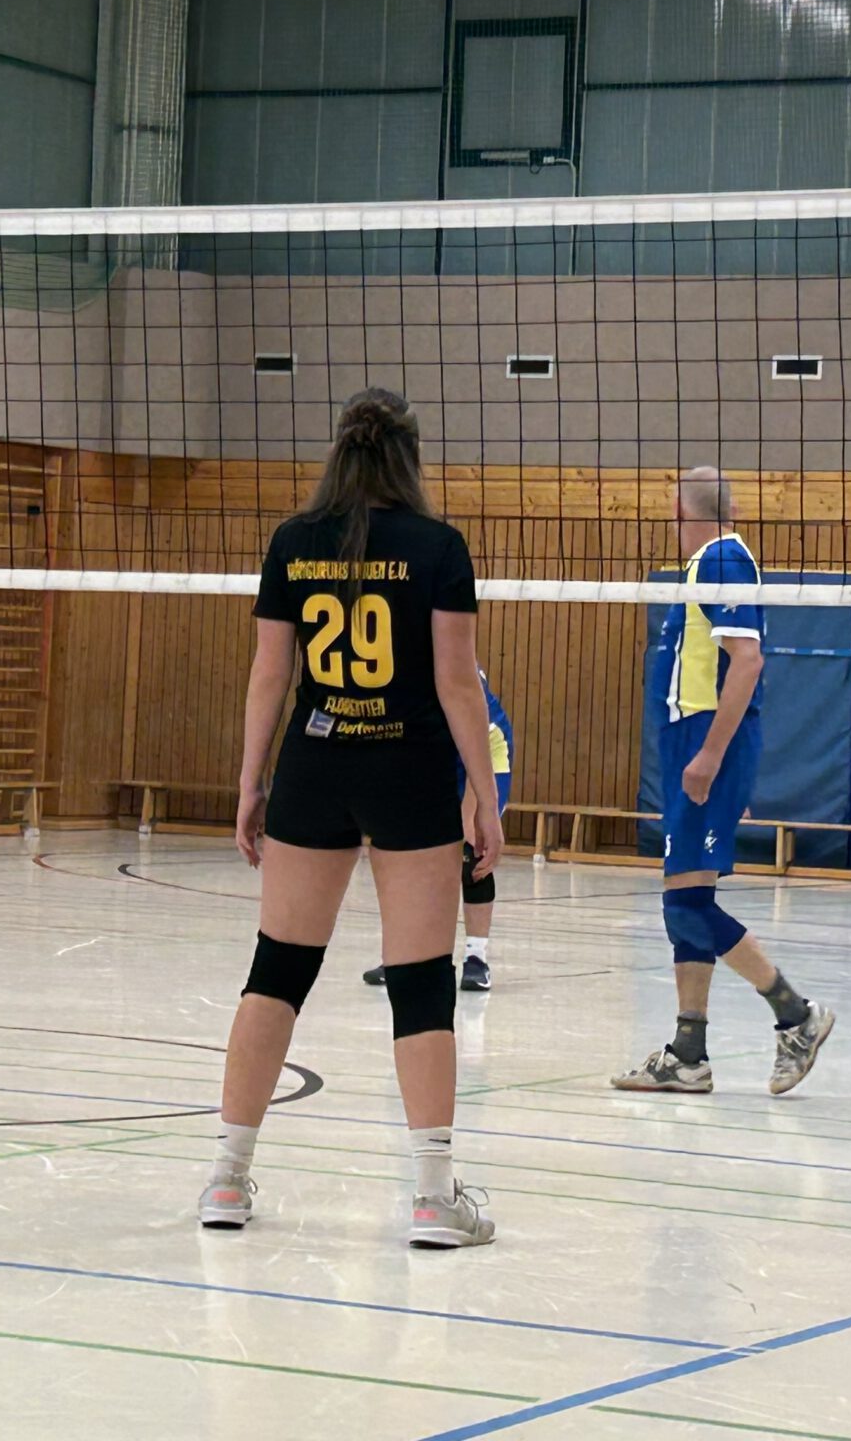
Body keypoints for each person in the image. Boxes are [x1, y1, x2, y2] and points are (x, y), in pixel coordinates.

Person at [199, 389, 504, 1248]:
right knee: (421, 981)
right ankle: (433, 1198)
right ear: (409, 456)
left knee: (277, 972)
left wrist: (250, 782)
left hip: (315, 767)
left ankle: (226, 1178)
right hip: (408, 773)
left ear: (339, 451)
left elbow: (270, 674)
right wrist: (483, 794)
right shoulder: (438, 547)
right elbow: (457, 683)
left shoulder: (294, 542)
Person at [612, 467, 835, 1097]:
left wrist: (711, 756)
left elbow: (748, 662)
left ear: (683, 512)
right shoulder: (704, 564)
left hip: (707, 742)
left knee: (686, 904)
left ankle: (796, 1014)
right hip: (693, 740)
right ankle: (689, 1053)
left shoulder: (723, 560)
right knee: (683, 899)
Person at [365, 667, 513, 993]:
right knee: (406, 853)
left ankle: (477, 958)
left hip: (484, 750)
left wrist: (474, 810)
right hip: (432, 754)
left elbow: (480, 743)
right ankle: (404, 954)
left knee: (472, 848)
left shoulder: (452, 670)